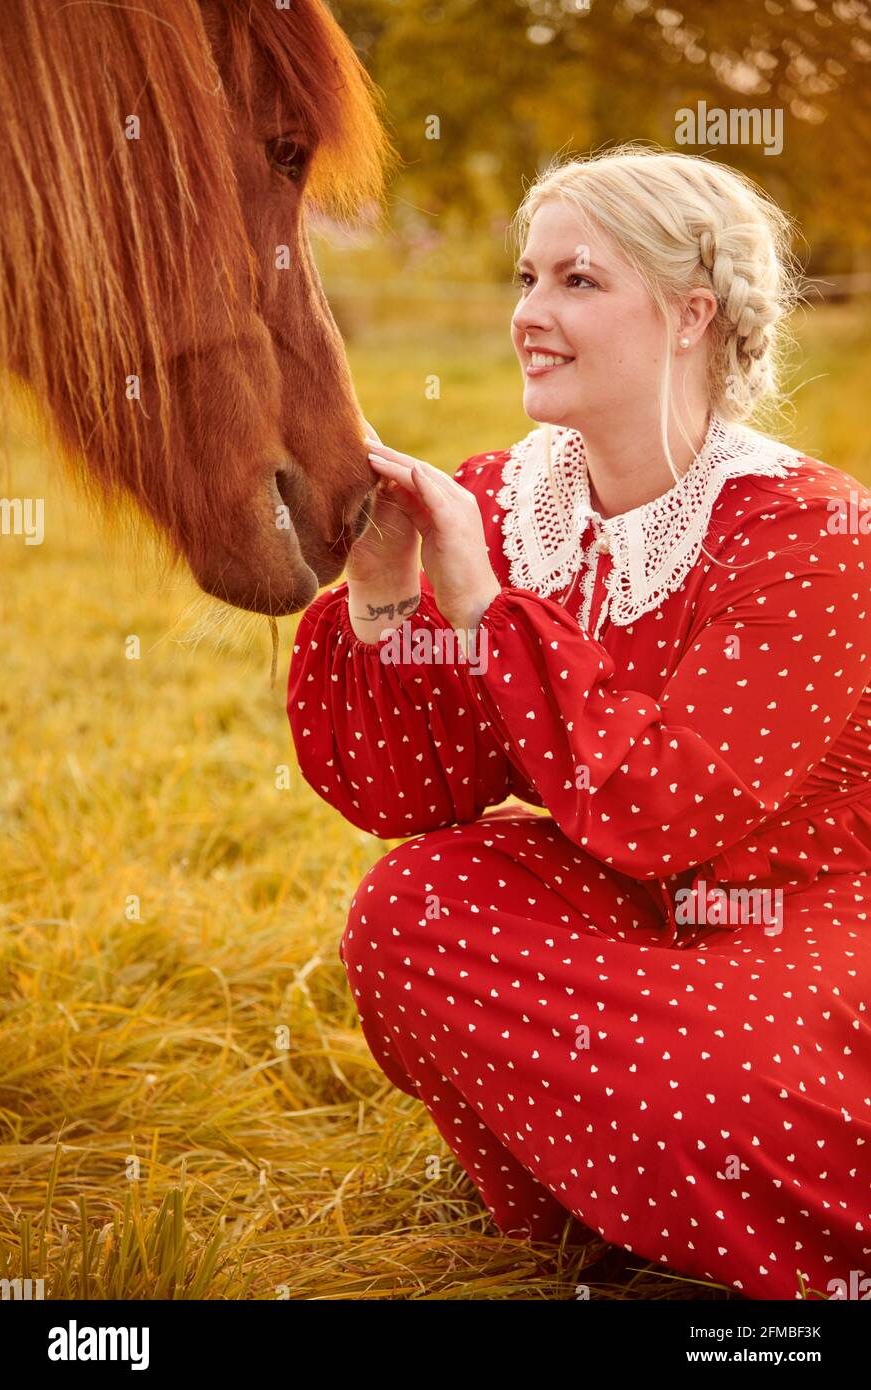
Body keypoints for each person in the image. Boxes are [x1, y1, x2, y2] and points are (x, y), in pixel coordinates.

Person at [286, 144, 871, 1301]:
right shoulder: (508, 498)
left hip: (804, 900)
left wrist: (485, 611)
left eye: (577, 281)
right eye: (524, 278)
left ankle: (687, 1204)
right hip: (617, 895)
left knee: (719, 1074)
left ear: (692, 314)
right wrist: (388, 591)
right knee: (412, 907)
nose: (531, 313)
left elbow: (676, 805)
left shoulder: (810, 531)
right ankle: (620, 1199)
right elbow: (413, 791)